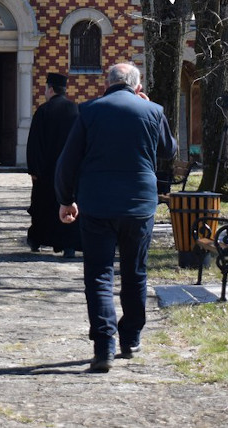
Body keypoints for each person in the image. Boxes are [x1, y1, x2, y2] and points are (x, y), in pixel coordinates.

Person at [55, 61, 177, 373]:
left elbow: (67, 161)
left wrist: (66, 200)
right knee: (135, 272)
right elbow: (169, 151)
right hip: (139, 204)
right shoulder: (153, 111)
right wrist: (152, 112)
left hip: (97, 204)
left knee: (98, 274)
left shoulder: (89, 111)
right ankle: (132, 336)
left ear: (106, 84)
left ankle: (104, 345)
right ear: (138, 87)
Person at [25, 72, 81, 257]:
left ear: (50, 89)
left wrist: (34, 169)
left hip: (47, 172)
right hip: (70, 172)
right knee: (68, 205)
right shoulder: (77, 111)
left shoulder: (43, 111)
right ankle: (69, 245)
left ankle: (37, 240)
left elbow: (34, 143)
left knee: (43, 207)